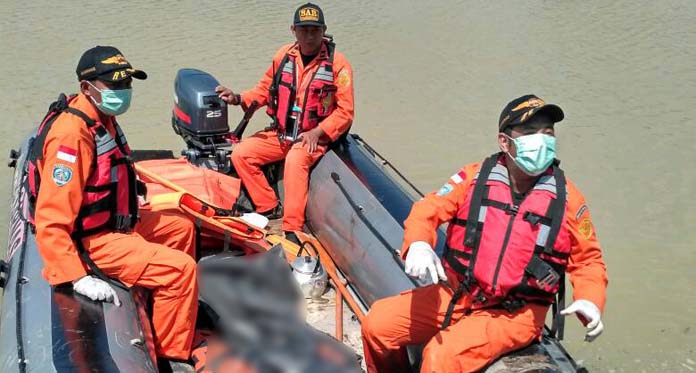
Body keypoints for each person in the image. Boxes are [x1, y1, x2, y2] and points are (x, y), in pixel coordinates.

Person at [361, 95, 608, 372]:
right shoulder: (474, 178)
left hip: (513, 313)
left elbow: (588, 261)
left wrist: (590, 299)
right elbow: (427, 209)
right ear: (505, 141)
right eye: (529, 132)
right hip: (458, 293)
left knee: (440, 357)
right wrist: (418, 242)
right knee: (377, 324)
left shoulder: (568, 199)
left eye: (547, 133)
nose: (540, 140)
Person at [26, 46, 198, 370]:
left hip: (116, 221)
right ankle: (171, 358)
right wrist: (77, 277)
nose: (123, 92)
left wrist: (134, 193)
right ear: (87, 88)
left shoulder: (103, 118)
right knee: (180, 270)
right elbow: (51, 218)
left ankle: (165, 310)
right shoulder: (71, 136)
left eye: (126, 85)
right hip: (92, 239)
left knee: (181, 228)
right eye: (114, 86)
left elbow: (112, 171)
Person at [216, 2, 354, 244]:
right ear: (293, 30)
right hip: (282, 133)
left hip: (314, 137)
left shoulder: (338, 64)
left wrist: (317, 132)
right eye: (304, 29)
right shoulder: (283, 56)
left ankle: (292, 229)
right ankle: (268, 207)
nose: (309, 35)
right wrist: (237, 98)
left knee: (295, 161)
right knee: (242, 154)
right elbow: (264, 90)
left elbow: (345, 112)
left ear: (324, 30)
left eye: (315, 29)